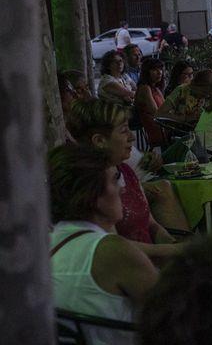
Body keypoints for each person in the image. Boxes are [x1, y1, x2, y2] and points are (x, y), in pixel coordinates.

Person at [48, 144, 158, 345]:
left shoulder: (52, 243)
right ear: (94, 196)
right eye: (114, 179)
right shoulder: (111, 251)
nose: (122, 187)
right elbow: (178, 318)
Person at [67, 99, 186, 253]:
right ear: (99, 141)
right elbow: (114, 247)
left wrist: (172, 242)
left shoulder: (125, 171)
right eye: (124, 130)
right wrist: (173, 251)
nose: (132, 137)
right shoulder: (89, 186)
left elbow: (151, 224)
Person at [134, 57, 167, 147]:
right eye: (154, 69)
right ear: (146, 72)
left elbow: (166, 108)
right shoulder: (144, 88)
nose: (159, 72)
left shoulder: (156, 88)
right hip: (159, 130)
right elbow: (157, 113)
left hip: (165, 126)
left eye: (160, 69)